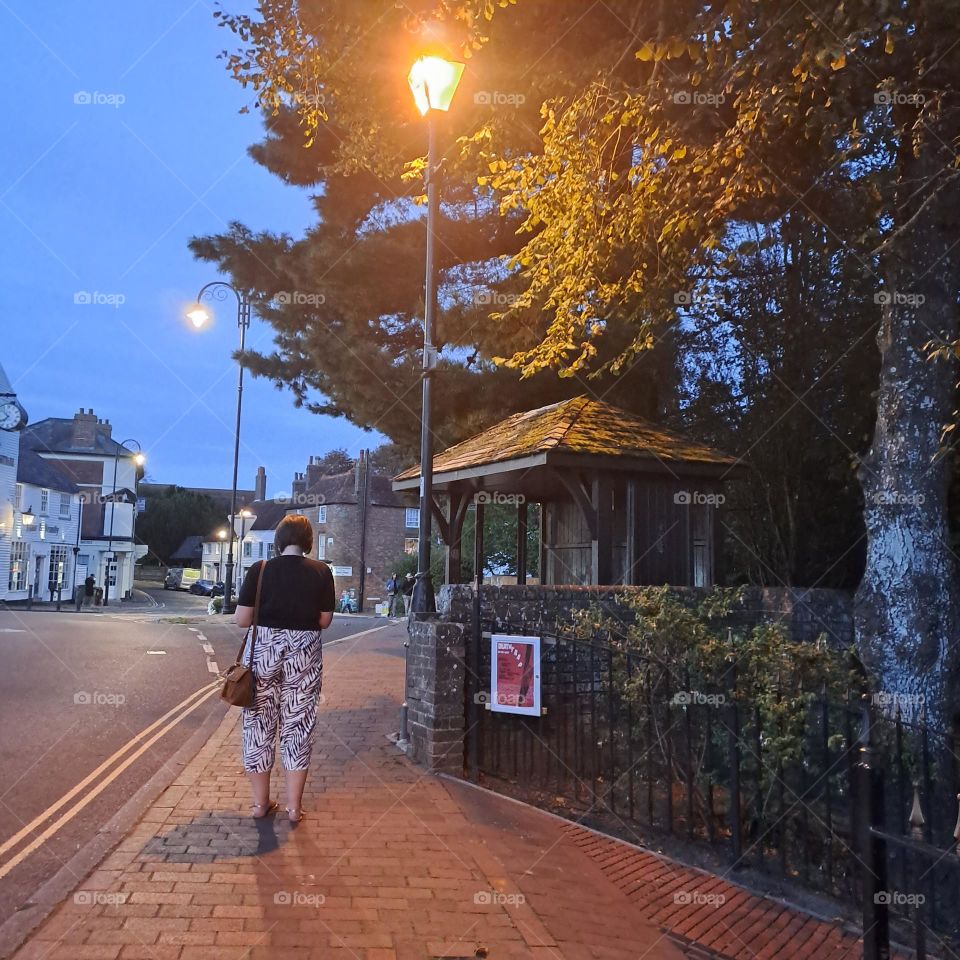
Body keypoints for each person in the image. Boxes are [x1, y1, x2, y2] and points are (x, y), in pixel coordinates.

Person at [234, 514, 335, 824]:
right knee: (298, 725)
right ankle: (293, 808)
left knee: (258, 725)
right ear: (308, 541)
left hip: (263, 653)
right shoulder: (322, 571)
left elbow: (241, 619)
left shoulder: (260, 569)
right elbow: (324, 621)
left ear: (278, 540)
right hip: (304, 653)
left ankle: (260, 804)